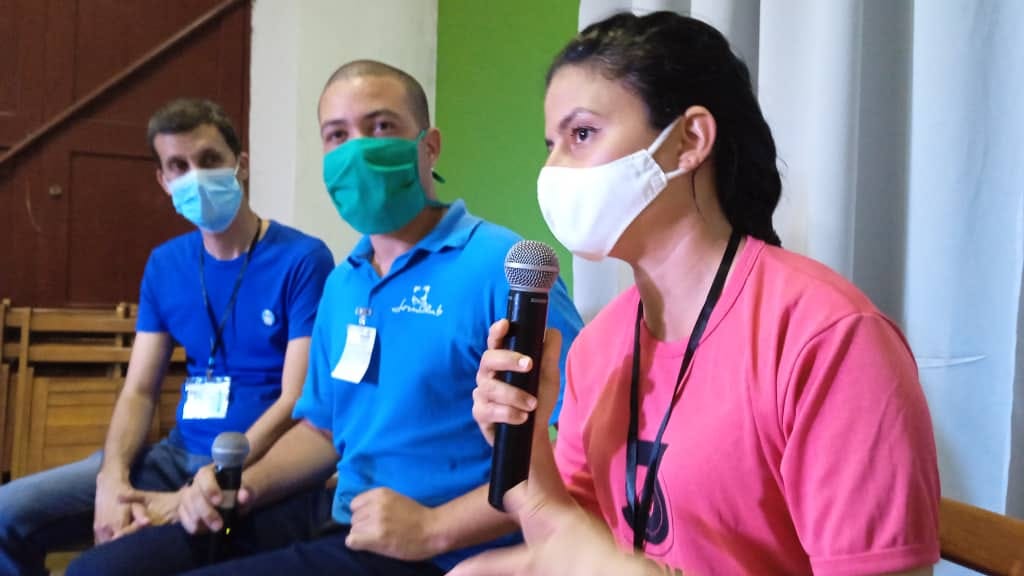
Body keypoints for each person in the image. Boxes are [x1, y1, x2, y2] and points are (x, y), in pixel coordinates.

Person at [457, 12, 940, 576]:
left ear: (689, 140)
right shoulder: (598, 348)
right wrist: (529, 450)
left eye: (581, 134)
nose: (553, 168)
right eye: (551, 143)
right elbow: (572, 550)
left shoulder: (827, 339)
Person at [66, 60, 584, 576]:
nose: (357, 150)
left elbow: (579, 450)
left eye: (381, 127)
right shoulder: (344, 282)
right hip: (342, 517)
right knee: (100, 571)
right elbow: (323, 429)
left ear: (429, 146)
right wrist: (236, 488)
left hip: (439, 549)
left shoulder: (505, 268)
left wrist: (438, 526)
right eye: (338, 135)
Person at [0, 98, 335, 576]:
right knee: (7, 513)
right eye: (178, 166)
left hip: (252, 468)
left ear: (240, 165)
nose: (195, 176)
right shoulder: (164, 264)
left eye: (209, 160)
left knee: (103, 566)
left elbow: (294, 398)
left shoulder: (302, 259)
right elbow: (139, 390)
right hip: (172, 456)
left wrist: (203, 486)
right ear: (163, 180)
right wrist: (112, 480)